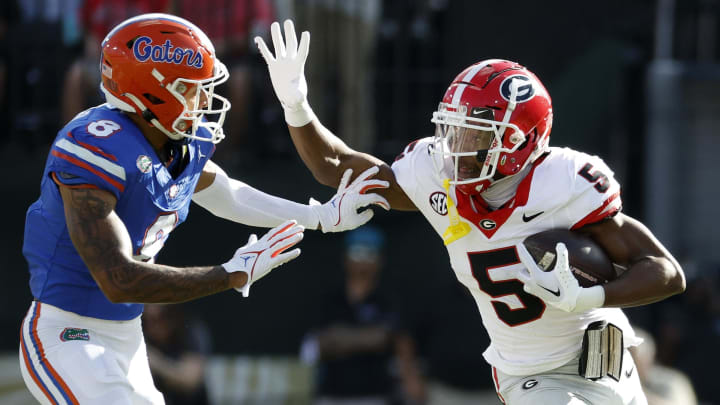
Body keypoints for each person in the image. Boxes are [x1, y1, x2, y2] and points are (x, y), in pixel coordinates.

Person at [255, 20, 687, 405]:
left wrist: (589, 296)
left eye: (475, 135)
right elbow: (336, 168)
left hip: (610, 363)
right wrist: (297, 107)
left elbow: (665, 272)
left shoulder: (566, 183)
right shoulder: (435, 176)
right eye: (454, 129)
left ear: (520, 143)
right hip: (533, 377)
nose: (457, 147)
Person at [19, 13, 389, 405]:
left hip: (125, 335)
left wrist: (321, 217)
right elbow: (119, 280)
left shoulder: (172, 139)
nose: (206, 100)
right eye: (192, 88)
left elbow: (227, 193)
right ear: (152, 91)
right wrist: (230, 274)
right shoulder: (95, 147)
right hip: (69, 335)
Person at [300, 226, 425, 405]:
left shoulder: (389, 300)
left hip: (375, 394)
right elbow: (316, 344)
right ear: (345, 258)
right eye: (357, 253)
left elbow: (400, 342)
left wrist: (341, 338)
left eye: (370, 254)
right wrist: (370, 337)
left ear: (380, 260)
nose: (363, 261)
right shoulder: (329, 299)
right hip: (331, 394)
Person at [143, 304, 212, 405]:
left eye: (161, 317)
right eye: (148, 320)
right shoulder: (140, 336)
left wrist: (156, 362)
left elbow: (190, 380)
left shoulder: (188, 331)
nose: (155, 326)